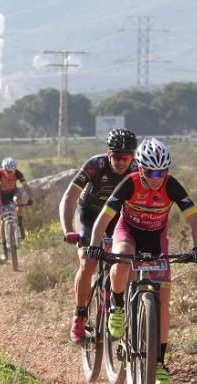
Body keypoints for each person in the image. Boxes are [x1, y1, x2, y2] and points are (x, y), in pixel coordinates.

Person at [87, 136, 197, 384]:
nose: (157, 177)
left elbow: (195, 218)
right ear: (141, 169)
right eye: (152, 171)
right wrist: (96, 246)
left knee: (163, 300)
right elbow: (104, 217)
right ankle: (117, 307)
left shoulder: (171, 185)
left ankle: (159, 363)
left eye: (162, 171)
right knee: (120, 260)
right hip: (128, 231)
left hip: (156, 238)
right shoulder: (129, 184)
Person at [59, 128, 138, 343]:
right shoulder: (95, 165)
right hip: (89, 216)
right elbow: (69, 197)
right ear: (108, 154)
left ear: (132, 157)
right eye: (116, 157)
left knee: (127, 263)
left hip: (117, 219)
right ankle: (80, 315)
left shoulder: (137, 170)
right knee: (89, 262)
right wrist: (68, 230)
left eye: (126, 157)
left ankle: (123, 308)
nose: (121, 162)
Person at [0, 157, 33, 260]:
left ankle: (20, 224)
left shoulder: (18, 173)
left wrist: (30, 198)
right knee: (1, 221)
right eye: (7, 171)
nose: (10, 173)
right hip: (2, 196)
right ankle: (4, 249)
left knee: (18, 201)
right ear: (3, 169)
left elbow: (26, 187)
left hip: (13, 193)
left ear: (15, 169)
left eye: (12, 171)